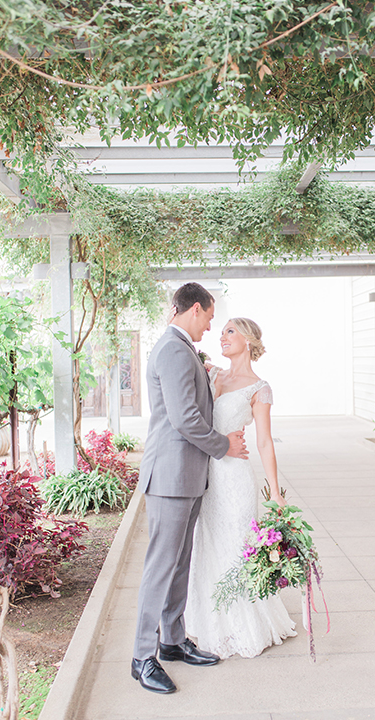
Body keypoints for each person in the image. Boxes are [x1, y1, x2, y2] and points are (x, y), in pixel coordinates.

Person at [132, 283, 249, 694]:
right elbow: (184, 418)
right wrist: (225, 445)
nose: (211, 325)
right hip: (170, 476)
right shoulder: (172, 349)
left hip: (187, 476)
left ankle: (173, 639)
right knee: (161, 566)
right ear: (194, 309)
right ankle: (142, 657)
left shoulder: (181, 349)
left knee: (180, 563)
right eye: (210, 317)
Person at [185, 317, 297, 658]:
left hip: (235, 480)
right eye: (220, 332)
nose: (222, 337)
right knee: (208, 547)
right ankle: (207, 621)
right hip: (208, 478)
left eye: (229, 331)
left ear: (248, 340)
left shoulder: (259, 387)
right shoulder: (213, 375)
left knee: (236, 546)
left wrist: (275, 491)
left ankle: (244, 624)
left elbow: (264, 442)